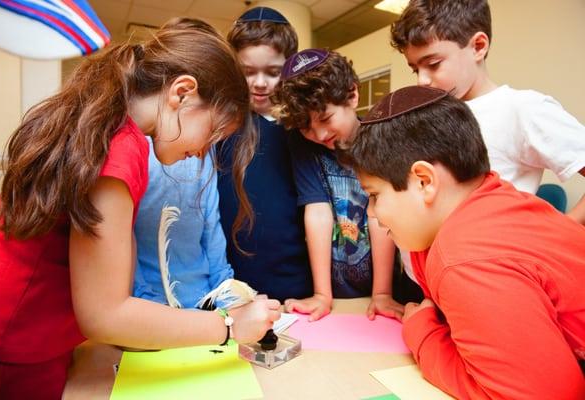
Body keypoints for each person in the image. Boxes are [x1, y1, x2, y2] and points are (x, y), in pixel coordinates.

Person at [0, 18, 280, 399]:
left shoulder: (105, 125)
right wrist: (229, 326)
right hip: (22, 334)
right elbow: (105, 314)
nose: (204, 151)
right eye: (213, 133)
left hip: (21, 321)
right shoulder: (120, 148)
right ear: (182, 92)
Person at [338, 85, 585, 399]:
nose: (371, 213)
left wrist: (422, 333)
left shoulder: (465, 258)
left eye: (374, 195)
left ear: (424, 181)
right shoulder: (491, 201)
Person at [390, 0, 585, 224]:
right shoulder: (433, 115)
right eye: (415, 69)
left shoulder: (522, 108)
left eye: (433, 64)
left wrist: (562, 230)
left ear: (478, 47)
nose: (422, 80)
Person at [271, 49, 423, 322]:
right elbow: (317, 212)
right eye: (306, 126)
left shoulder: (381, 138)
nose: (319, 134)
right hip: (333, 286)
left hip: (384, 282)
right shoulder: (303, 146)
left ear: (352, 96)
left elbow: (381, 218)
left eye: (326, 119)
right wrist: (321, 295)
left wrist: (381, 294)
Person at [217, 7, 313, 303]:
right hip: (233, 288)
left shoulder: (303, 130)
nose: (260, 83)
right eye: (248, 72)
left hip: (295, 287)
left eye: (272, 73)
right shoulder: (218, 130)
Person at [133, 145, 234, 309]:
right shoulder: (132, 147)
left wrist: (227, 299)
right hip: (149, 312)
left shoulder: (205, 150)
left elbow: (212, 230)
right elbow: (121, 241)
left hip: (206, 304)